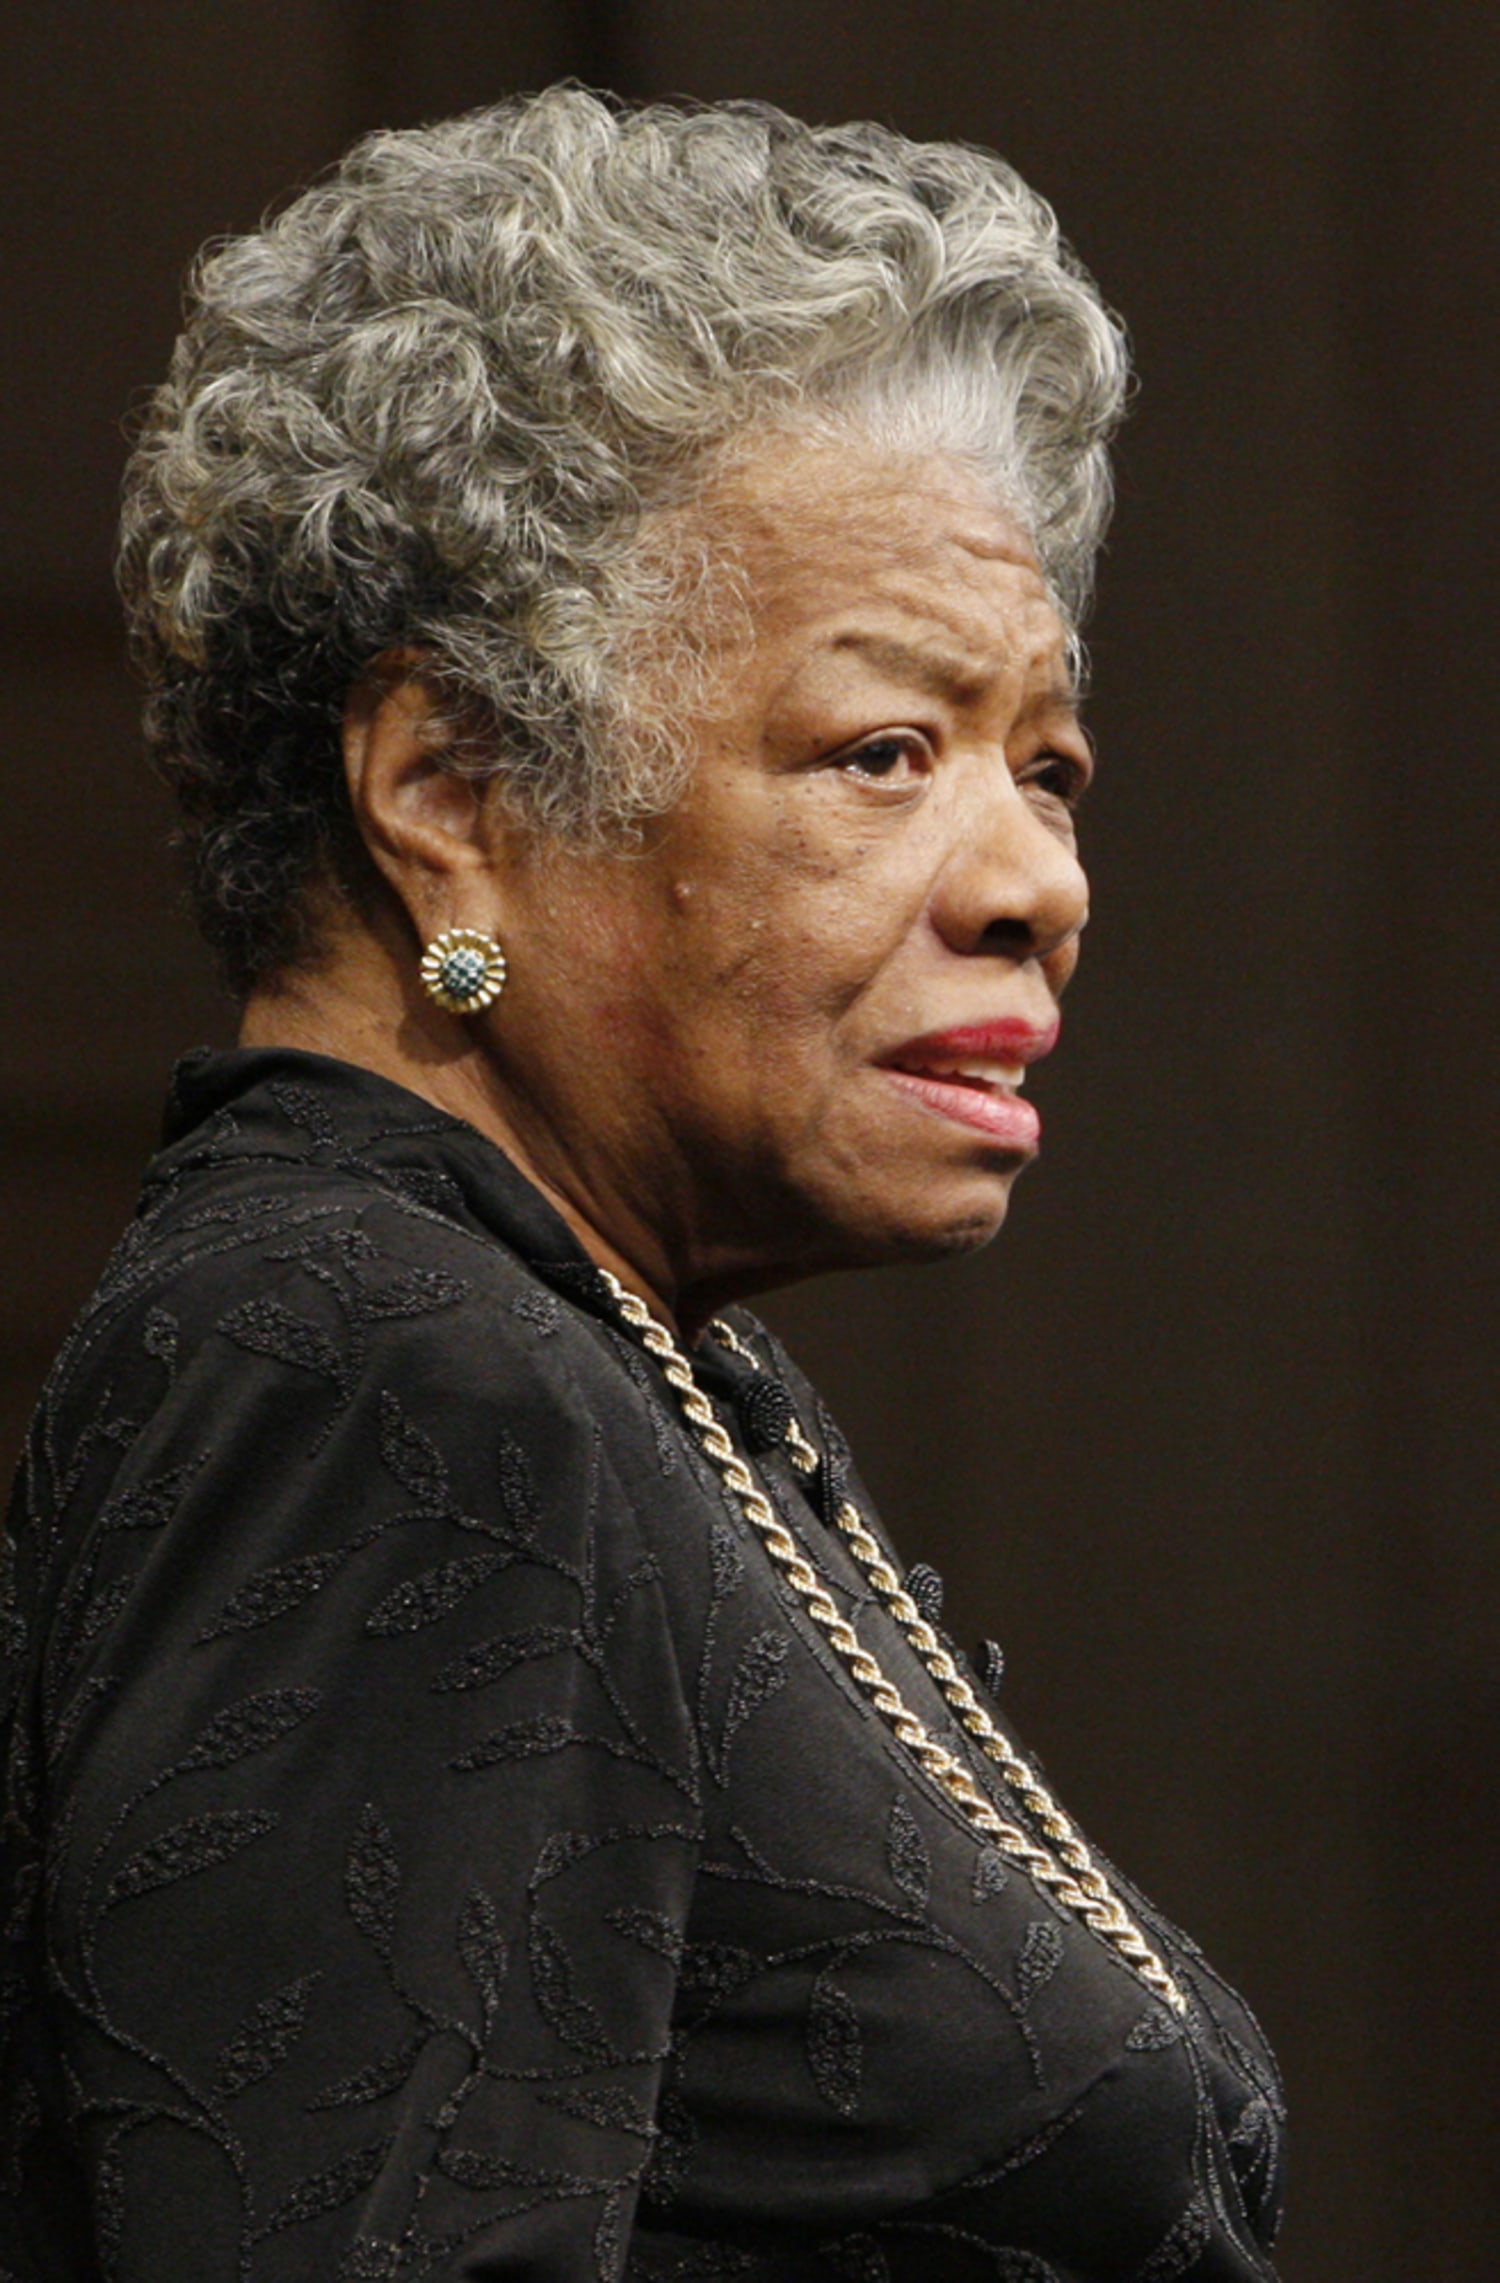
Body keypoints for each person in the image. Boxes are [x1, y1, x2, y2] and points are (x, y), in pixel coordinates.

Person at [0, 88, 1285, 2282]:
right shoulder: (375, 1373)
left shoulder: (635, 1364)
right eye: (887, 749)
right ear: (448, 788)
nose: (1037, 881)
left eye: (1046, 762)